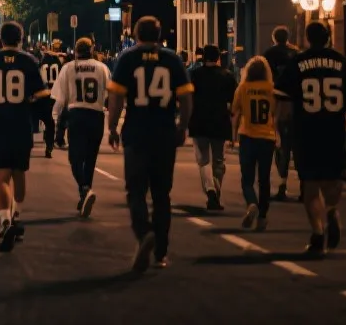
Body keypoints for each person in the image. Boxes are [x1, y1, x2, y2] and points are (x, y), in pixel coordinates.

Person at [107, 16, 194, 272]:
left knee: (135, 191)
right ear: (159, 35)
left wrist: (112, 127)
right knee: (161, 194)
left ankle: (144, 232)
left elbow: (116, 98)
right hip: (164, 132)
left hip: (137, 132)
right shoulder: (172, 59)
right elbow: (187, 98)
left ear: (135, 34)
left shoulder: (128, 58)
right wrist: (183, 126)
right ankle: (161, 252)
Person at [274, 21, 346, 257]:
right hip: (333, 130)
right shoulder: (340, 62)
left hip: (307, 131)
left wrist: (278, 128)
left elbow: (282, 97)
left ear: (307, 38)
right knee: (333, 180)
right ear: (329, 37)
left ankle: (317, 233)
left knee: (310, 187)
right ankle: (332, 210)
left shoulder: (298, 62)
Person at [0, 21, 48, 251]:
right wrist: (37, 116)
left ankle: (4, 219)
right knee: (19, 172)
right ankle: (17, 216)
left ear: (0, 39)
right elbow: (42, 95)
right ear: (21, 39)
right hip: (22, 123)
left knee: (1, 176)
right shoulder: (30, 62)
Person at [52, 37, 110, 217]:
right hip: (96, 115)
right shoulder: (102, 68)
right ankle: (85, 192)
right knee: (90, 158)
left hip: (76, 114)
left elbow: (61, 99)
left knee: (75, 157)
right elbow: (108, 93)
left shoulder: (69, 68)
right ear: (92, 49)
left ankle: (84, 189)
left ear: (75, 51)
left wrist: (59, 127)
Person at [188, 44, 236, 211]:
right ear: (218, 58)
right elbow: (233, 103)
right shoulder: (228, 76)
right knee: (218, 161)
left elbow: (188, 98)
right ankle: (216, 191)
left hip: (199, 121)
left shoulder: (195, 75)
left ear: (203, 58)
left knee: (203, 160)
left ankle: (210, 190)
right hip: (220, 121)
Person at [231, 56, 277, 231]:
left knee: (247, 179)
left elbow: (235, 112)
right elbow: (276, 114)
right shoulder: (272, 89)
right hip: (267, 137)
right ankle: (263, 217)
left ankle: (252, 203)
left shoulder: (243, 88)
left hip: (248, 136)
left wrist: (233, 136)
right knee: (264, 179)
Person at [262, 26, 300, 201]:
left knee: (282, 146)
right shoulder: (297, 53)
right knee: (298, 146)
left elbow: (265, 76)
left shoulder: (269, 54)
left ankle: (282, 185)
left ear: (274, 38)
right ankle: (304, 186)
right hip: (299, 103)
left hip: (279, 101)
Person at [36, 41, 65, 158]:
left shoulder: (42, 63)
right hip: (55, 94)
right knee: (51, 121)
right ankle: (49, 145)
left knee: (42, 118)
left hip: (43, 93)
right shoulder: (59, 64)